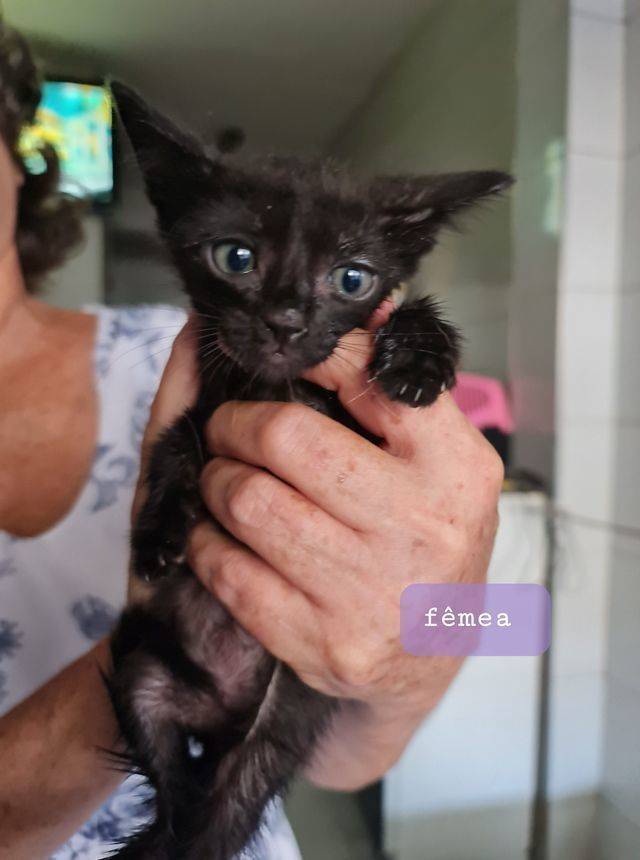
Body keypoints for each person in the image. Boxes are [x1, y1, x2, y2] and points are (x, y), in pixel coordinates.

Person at [0, 22, 503, 860]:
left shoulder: (175, 350)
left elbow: (498, 635)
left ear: (19, 153)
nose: (285, 318)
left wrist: (441, 631)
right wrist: (151, 636)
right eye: (238, 259)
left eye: (346, 281)